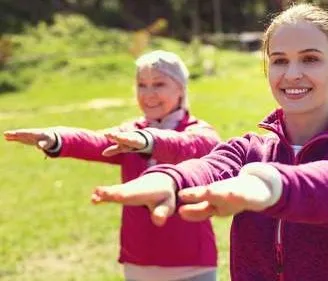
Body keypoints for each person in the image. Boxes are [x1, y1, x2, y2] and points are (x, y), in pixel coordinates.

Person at [91, 4, 328, 281]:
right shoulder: (247, 151)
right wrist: (168, 179)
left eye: (310, 59)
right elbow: (207, 167)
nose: (292, 73)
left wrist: (268, 185)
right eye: (280, 60)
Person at [4, 50, 220, 281]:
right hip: (140, 258)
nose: (148, 94)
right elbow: (95, 142)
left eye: (159, 84)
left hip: (192, 262)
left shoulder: (199, 131)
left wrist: (148, 141)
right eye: (141, 85)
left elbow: (190, 145)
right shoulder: (130, 132)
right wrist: (57, 138)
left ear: (181, 88)